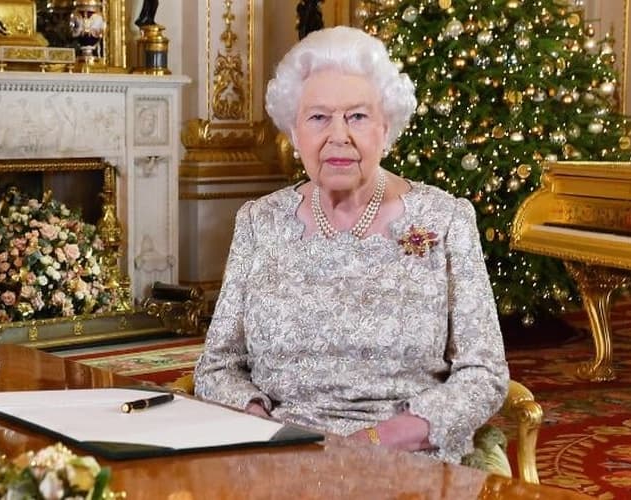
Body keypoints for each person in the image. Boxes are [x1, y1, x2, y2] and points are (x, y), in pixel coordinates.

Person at [194, 26, 509, 466]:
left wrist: (379, 440)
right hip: (282, 454)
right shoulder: (258, 222)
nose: (338, 136)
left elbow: (485, 375)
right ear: (293, 130)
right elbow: (216, 368)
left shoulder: (445, 219)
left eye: (357, 117)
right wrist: (257, 423)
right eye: (318, 117)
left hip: (406, 458)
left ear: (386, 127)